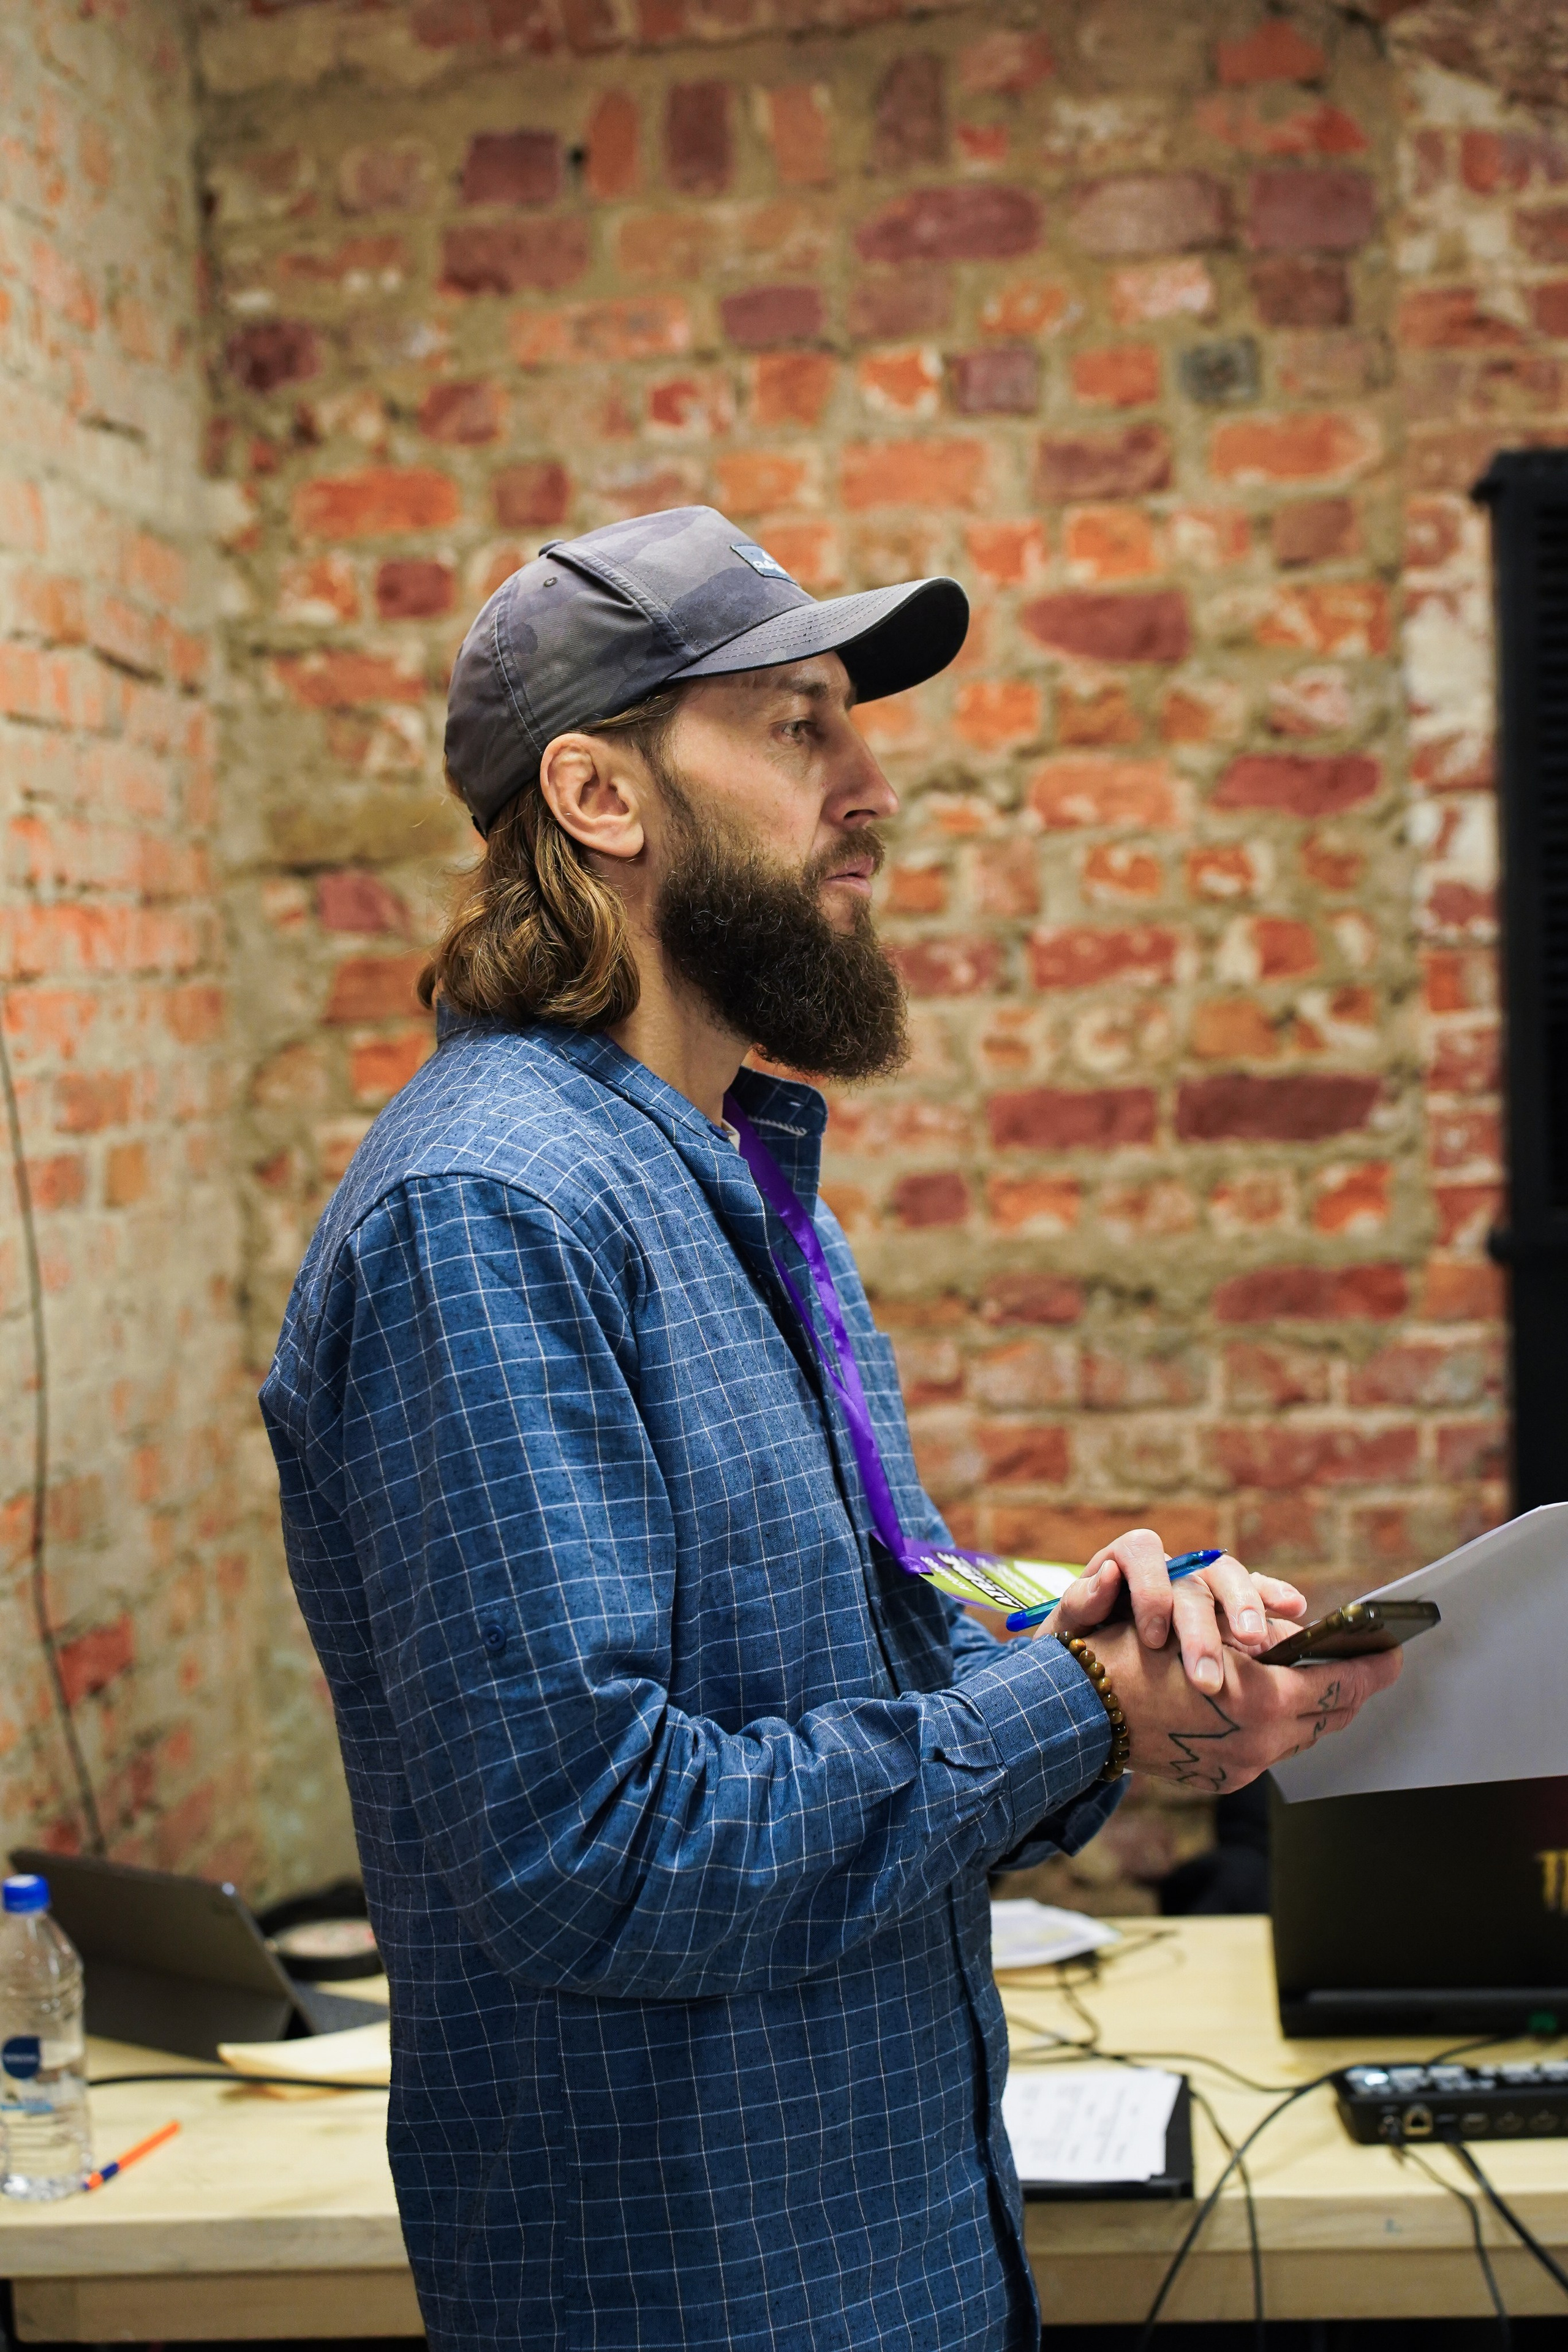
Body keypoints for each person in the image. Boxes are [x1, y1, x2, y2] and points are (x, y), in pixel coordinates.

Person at [260, 507, 1400, 2352]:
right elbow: (594, 1850)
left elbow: (851, 1670)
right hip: (696, 2295)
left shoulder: (736, 1176)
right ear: (600, 796)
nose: (871, 788)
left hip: (897, 2255)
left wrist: (1118, 1676)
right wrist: (1072, 1708)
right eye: (800, 727)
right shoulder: (487, 1214)